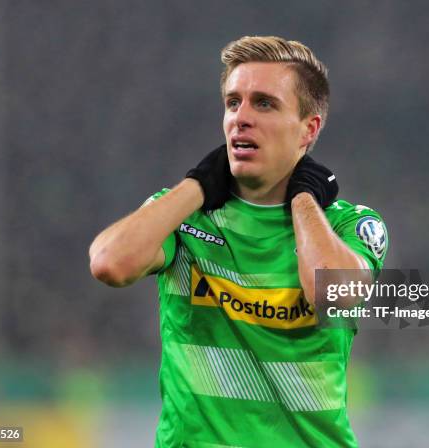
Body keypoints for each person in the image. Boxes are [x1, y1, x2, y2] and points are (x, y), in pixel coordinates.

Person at [89, 35, 388, 448]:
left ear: (308, 129)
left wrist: (303, 196)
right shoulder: (182, 215)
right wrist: (198, 183)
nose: (240, 118)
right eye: (233, 102)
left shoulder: (349, 224)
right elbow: (110, 263)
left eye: (264, 103)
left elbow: (333, 293)